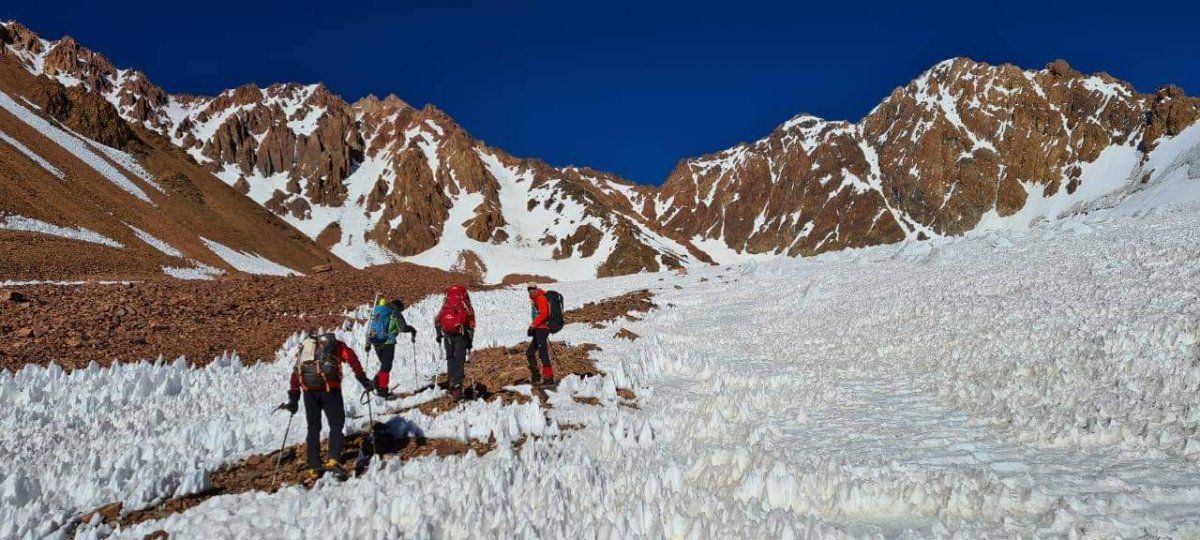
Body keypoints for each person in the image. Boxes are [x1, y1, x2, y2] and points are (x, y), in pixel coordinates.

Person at [279, 331, 373, 481]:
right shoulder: (335, 345)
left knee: (313, 427)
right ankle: (333, 459)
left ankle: (313, 467)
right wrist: (363, 379)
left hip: (309, 392)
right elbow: (351, 358)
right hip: (331, 389)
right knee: (336, 424)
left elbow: (296, 372)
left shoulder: (307, 349)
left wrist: (293, 399)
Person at [366, 298, 417, 397]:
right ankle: (383, 391)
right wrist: (412, 329)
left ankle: (376, 382)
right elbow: (402, 328)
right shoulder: (395, 312)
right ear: (399, 307)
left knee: (384, 366)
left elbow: (370, 327)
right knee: (386, 367)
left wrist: (367, 344)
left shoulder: (378, 312)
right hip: (388, 343)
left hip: (376, 342)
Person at [434, 285, 475, 398]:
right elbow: (471, 323)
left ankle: (451, 383)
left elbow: (437, 320)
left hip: (447, 335)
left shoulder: (446, 304)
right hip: (461, 335)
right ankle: (457, 387)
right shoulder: (465, 304)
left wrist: (439, 334)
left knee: (451, 359)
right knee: (459, 360)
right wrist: (470, 341)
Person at [526, 285, 554, 385]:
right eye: (529, 290)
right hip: (538, 329)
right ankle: (536, 376)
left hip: (542, 329)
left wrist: (533, 325)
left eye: (532, 289)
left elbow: (544, 314)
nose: (530, 292)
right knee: (529, 352)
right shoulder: (536, 299)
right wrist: (533, 327)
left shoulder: (541, 298)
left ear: (536, 289)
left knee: (543, 354)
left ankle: (549, 379)